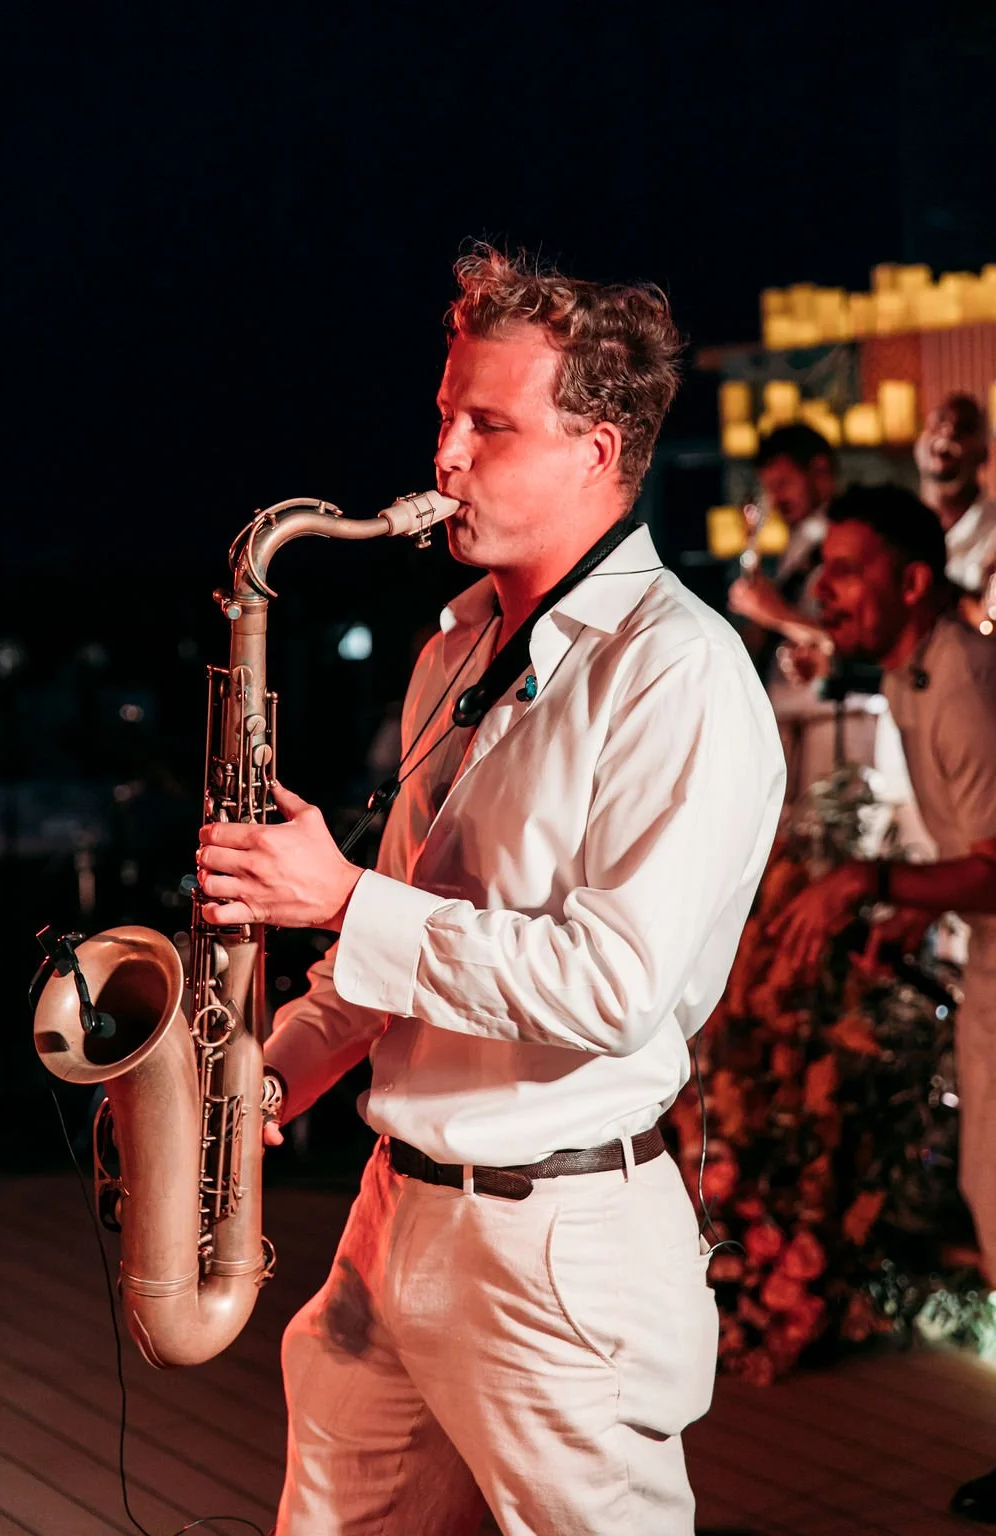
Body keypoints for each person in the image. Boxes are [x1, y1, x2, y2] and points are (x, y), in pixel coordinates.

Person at [196, 246, 785, 1536]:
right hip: (393, 1214)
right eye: (445, 415)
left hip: (555, 1249)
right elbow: (422, 924)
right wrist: (284, 1066)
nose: (446, 456)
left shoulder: (678, 676)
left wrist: (342, 899)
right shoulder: (458, 642)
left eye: (490, 425)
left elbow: (614, 987)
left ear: (599, 447)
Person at [767, 482, 996, 1524]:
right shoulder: (911, 669)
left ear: (911, 580)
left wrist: (871, 886)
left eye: (847, 568)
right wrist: (907, 914)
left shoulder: (959, 683)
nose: (824, 586)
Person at [726, 422, 838, 655]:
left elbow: (850, 643)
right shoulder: (800, 538)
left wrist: (774, 613)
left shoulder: (844, 536)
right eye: (769, 488)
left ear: (819, 469)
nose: (775, 498)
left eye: (782, 483)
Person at [916, 391, 996, 605]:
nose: (949, 431)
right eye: (939, 421)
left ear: (984, 454)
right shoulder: (894, 525)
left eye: (965, 428)